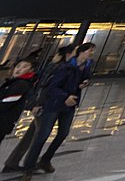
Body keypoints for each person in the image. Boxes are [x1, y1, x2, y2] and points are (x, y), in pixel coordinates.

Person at [20, 42, 95, 180]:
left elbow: (86, 79)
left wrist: (85, 83)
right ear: (81, 52)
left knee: (63, 134)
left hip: (70, 104)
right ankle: (28, 168)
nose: (91, 53)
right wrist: (64, 97)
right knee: (42, 135)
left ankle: (45, 159)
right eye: (90, 50)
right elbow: (51, 87)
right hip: (54, 104)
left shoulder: (86, 66)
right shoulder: (64, 67)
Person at [3, 48, 70, 172]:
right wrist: (37, 104)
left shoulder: (63, 68)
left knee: (34, 134)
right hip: (46, 105)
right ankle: (28, 163)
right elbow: (43, 86)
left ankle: (15, 162)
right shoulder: (54, 68)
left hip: (51, 105)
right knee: (38, 135)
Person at [0, 60, 36, 148]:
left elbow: (7, 102)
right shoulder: (13, 82)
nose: (19, 69)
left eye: (25, 67)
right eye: (18, 66)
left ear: (31, 70)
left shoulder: (21, 84)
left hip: (2, 122)